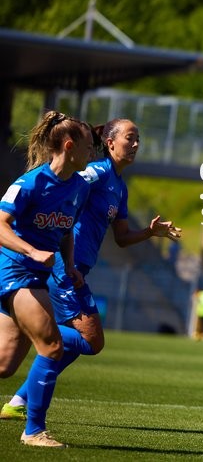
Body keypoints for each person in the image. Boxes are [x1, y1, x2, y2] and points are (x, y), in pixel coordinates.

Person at [1, 118, 182, 429]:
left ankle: (20, 399)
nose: (136, 144)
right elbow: (65, 186)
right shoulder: (95, 173)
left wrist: (150, 233)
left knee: (36, 354)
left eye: (138, 138)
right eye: (129, 138)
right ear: (109, 143)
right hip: (59, 267)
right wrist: (48, 252)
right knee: (89, 341)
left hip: (75, 267)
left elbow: (121, 238)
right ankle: (28, 396)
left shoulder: (119, 188)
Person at [0, 111, 94, 447]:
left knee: (5, 365)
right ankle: (34, 431)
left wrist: (69, 265)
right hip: (15, 271)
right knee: (52, 346)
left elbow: (65, 231)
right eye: (88, 146)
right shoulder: (31, 183)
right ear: (69, 146)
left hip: (36, 276)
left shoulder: (80, 187)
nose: (92, 153)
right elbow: (0, 225)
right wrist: (31, 251)